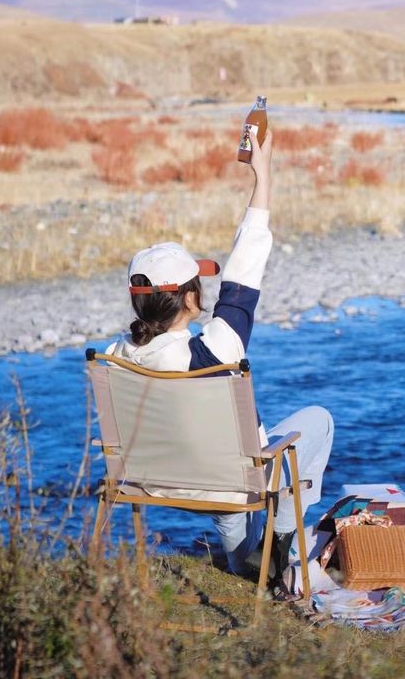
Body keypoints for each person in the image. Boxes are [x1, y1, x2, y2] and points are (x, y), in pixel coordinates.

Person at [106, 127, 334, 580]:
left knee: (217, 456)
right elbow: (245, 273)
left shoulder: (114, 358)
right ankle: (279, 546)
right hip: (229, 484)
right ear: (191, 300)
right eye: (200, 286)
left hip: (152, 482)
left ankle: (241, 561)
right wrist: (261, 178)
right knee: (319, 421)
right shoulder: (213, 349)